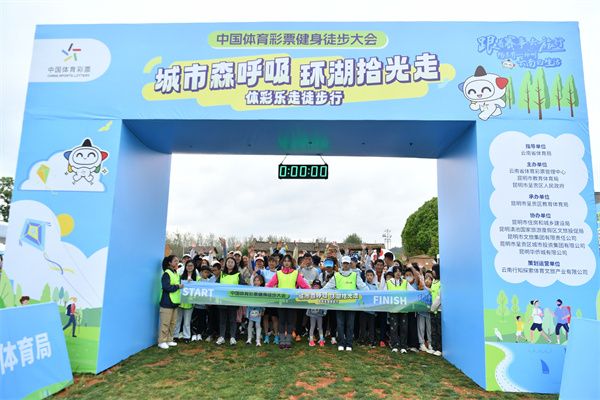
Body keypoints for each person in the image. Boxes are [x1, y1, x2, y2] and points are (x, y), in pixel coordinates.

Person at [323, 255, 367, 352]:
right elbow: (327, 287)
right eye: (344, 263)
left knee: (350, 324)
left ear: (350, 264)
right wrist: (317, 293)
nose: (346, 265)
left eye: (347, 263)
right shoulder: (337, 275)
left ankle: (349, 344)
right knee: (340, 324)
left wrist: (372, 294)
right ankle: (341, 343)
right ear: (341, 264)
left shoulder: (355, 275)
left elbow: (363, 287)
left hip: (351, 304)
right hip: (340, 304)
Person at [266, 254, 310, 349]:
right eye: (285, 261)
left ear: (291, 263)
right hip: (281, 301)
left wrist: (314, 292)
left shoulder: (296, 273)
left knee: (290, 321)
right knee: (281, 321)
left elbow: (304, 286)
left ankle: (288, 340)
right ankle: (282, 340)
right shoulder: (278, 273)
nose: (286, 263)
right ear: (282, 262)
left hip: (292, 302)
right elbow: (269, 285)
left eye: (288, 261)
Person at [216, 256, 245, 346]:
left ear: (234, 264)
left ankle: (233, 337)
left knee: (233, 320)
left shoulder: (238, 275)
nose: (230, 264)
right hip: (222, 301)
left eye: (232, 262)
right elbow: (216, 285)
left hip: (233, 301)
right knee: (222, 320)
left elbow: (243, 285)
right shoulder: (221, 274)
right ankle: (222, 337)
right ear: (225, 264)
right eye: (228, 262)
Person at [158, 255, 183, 349]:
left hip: (175, 302)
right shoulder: (166, 273)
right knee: (165, 323)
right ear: (169, 263)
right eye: (175, 261)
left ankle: (169, 339)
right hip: (167, 302)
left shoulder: (176, 273)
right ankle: (162, 341)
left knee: (173, 323)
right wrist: (177, 286)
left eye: (178, 261)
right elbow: (166, 287)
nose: (177, 262)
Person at [386, 266, 409, 354]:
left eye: (399, 271)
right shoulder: (388, 282)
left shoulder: (405, 282)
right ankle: (394, 345)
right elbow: (383, 293)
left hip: (403, 308)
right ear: (393, 273)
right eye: (396, 271)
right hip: (393, 308)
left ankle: (403, 346)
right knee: (394, 327)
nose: (398, 273)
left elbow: (412, 292)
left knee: (403, 327)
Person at [260, 255, 281, 345]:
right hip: (265, 297)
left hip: (275, 298)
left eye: (273, 262)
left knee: (274, 317)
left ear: (276, 263)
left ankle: (276, 336)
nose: (271, 263)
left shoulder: (279, 273)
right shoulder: (264, 272)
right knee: (265, 317)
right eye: (270, 261)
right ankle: (266, 336)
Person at [174, 260, 196, 343]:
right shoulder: (180, 277)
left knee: (187, 321)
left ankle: (186, 337)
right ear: (185, 267)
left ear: (194, 267)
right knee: (177, 320)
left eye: (191, 265)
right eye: (188, 265)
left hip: (189, 303)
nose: (189, 267)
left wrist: (193, 283)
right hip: (180, 302)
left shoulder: (197, 278)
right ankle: (175, 336)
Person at [191, 265, 213, 341]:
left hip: (204, 306)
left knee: (202, 321)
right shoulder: (197, 280)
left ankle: (199, 334)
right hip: (196, 305)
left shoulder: (210, 281)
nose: (206, 274)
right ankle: (194, 334)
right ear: (201, 272)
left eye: (208, 273)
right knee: (194, 320)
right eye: (205, 272)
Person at [359, 269, 378, 348]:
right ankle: (362, 341)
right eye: (368, 275)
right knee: (363, 326)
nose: (369, 277)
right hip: (363, 310)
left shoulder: (375, 287)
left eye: (371, 275)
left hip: (372, 311)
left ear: (373, 276)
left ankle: (371, 341)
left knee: (371, 327)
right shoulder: (363, 285)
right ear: (365, 276)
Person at [246, 274, 266, 346]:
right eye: (255, 280)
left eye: (258, 280)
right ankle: (249, 339)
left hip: (258, 309)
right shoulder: (251, 289)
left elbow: (264, 301)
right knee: (250, 324)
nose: (256, 282)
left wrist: (263, 310)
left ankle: (258, 340)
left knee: (258, 325)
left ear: (261, 282)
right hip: (251, 309)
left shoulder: (263, 290)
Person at [417, 272, 434, 353]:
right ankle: (421, 343)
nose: (427, 280)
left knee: (429, 328)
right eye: (426, 278)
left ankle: (430, 343)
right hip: (421, 311)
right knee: (421, 328)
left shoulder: (433, 289)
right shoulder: (421, 288)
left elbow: (431, 292)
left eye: (429, 279)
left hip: (429, 311)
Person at [306, 279, 326, 347]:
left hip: (319, 314)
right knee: (312, 327)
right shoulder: (310, 294)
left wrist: (324, 311)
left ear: (320, 287)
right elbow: (308, 303)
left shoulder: (322, 294)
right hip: (312, 314)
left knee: (320, 327)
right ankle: (311, 341)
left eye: (317, 286)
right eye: (315, 285)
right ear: (312, 286)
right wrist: (308, 312)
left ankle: (321, 340)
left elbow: (324, 303)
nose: (316, 287)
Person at [430, 263, 442, 356]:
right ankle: (434, 347)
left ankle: (439, 348)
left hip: (438, 310)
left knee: (439, 330)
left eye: (434, 270)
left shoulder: (441, 283)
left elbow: (439, 297)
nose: (432, 272)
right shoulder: (433, 282)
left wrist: (432, 308)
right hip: (432, 310)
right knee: (433, 330)